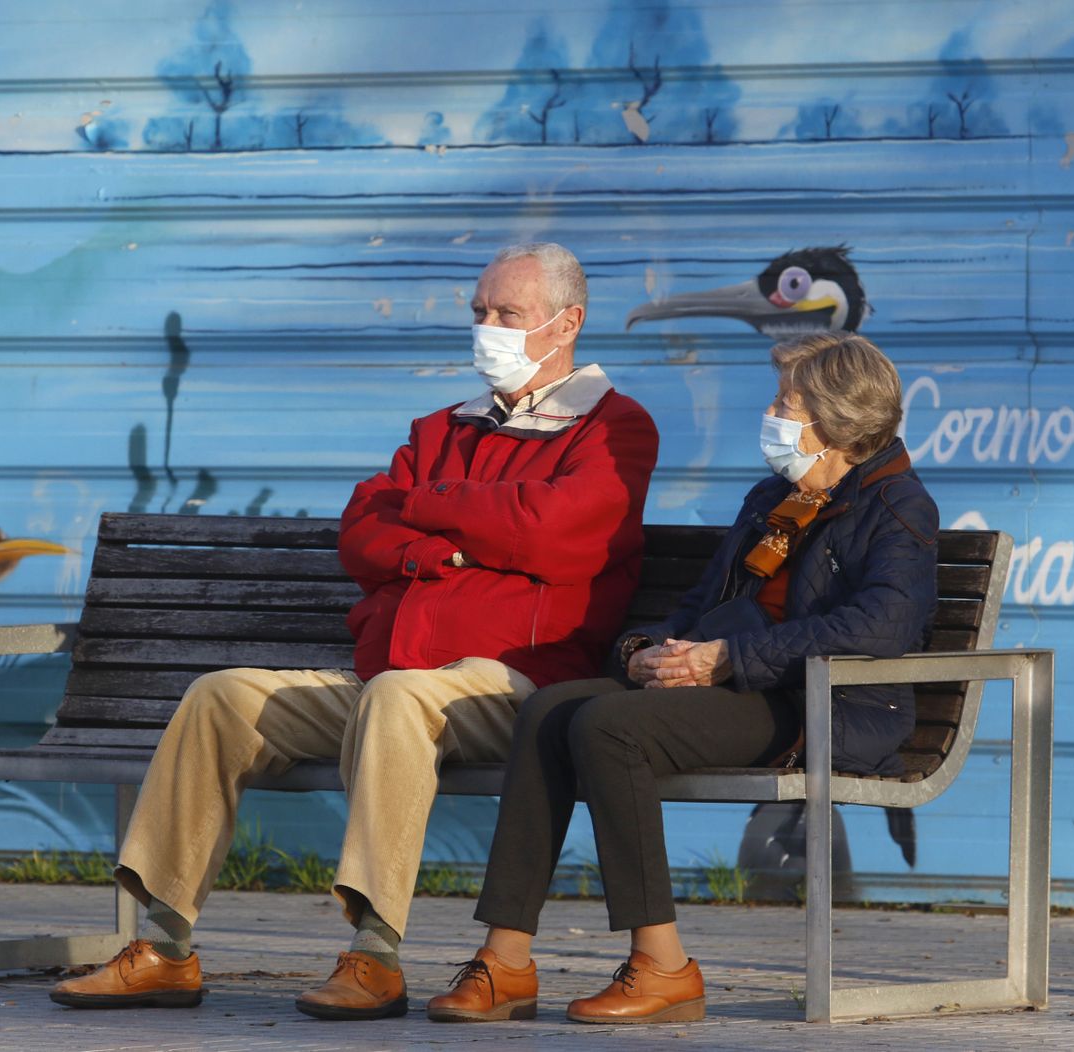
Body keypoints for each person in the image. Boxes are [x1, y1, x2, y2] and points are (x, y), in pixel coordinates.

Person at [50, 243, 659, 1019]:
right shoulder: (444, 425)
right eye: (479, 313)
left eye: (508, 314)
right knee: (220, 698)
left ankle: (374, 957)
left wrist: (432, 502)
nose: (487, 329)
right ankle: (165, 947)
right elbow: (362, 531)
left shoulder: (615, 427)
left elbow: (559, 533)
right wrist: (465, 540)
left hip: (517, 682)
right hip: (395, 675)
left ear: (566, 323)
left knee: (400, 698)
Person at [427, 331, 938, 1025]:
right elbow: (704, 606)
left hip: (814, 707)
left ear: (835, 420)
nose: (773, 414)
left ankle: (663, 965)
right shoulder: (775, 498)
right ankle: (505, 961)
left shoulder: (897, 505)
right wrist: (646, 652)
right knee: (550, 711)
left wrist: (728, 660)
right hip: (731, 685)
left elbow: (885, 624)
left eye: (786, 401)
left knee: (610, 728)